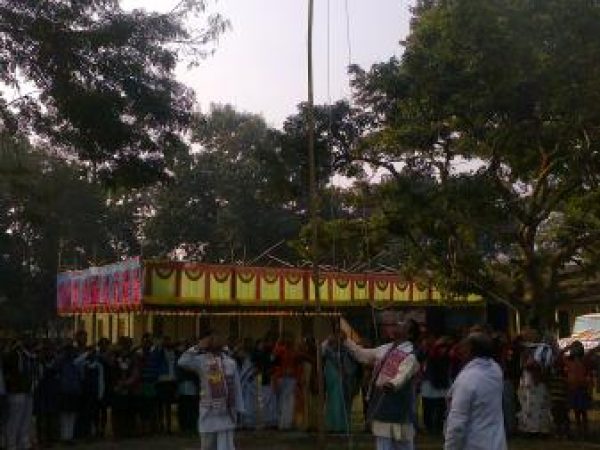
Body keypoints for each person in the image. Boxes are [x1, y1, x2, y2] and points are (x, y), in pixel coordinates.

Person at [343, 311, 420, 450]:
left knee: (404, 445)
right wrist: (346, 340)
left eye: (403, 325)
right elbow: (363, 355)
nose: (398, 324)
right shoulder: (387, 348)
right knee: (383, 444)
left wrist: (392, 384)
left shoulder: (410, 355)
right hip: (382, 402)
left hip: (399, 405)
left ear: (409, 335)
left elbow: (403, 374)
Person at [178, 329, 244, 450]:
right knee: (208, 447)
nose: (216, 342)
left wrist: (239, 409)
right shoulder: (201, 360)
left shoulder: (230, 362)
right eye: (212, 340)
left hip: (226, 413)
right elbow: (182, 362)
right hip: (208, 412)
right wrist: (197, 347)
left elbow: (237, 387)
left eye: (218, 339)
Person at [444, 332, 506, 450]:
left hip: (474, 444)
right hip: (496, 442)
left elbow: (457, 422)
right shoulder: (496, 370)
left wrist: (450, 447)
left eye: (463, 346)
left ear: (470, 350)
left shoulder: (467, 379)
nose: (460, 350)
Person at [322, 329, 360, 434]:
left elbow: (353, 361)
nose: (340, 339)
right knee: (335, 399)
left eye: (342, 338)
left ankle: (342, 425)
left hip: (344, 376)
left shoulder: (345, 349)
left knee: (343, 399)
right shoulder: (328, 349)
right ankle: (335, 425)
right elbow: (324, 352)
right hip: (334, 374)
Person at [3, 338, 36, 450]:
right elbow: (9, 371)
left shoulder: (30, 356)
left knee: (26, 419)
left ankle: (23, 442)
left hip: (28, 389)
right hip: (16, 390)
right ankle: (11, 444)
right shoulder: (13, 354)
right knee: (14, 419)